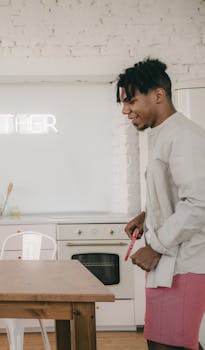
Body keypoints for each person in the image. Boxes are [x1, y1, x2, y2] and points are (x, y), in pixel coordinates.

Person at [117, 58, 205, 350]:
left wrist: (154, 247)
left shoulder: (184, 136)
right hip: (169, 263)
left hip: (186, 263)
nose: (125, 110)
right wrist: (146, 216)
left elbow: (198, 203)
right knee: (163, 342)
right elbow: (175, 192)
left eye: (131, 101)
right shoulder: (163, 134)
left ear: (158, 94)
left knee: (170, 345)